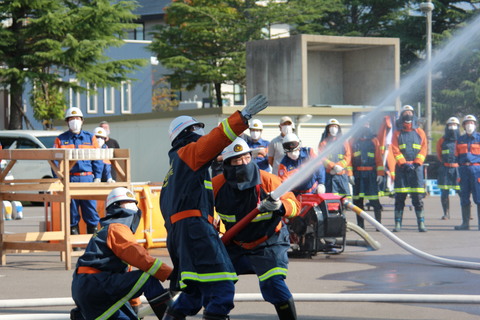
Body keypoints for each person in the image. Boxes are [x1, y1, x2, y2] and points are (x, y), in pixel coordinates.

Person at [159, 94, 268, 320]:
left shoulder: (172, 174)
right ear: (186, 135)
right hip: (195, 231)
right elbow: (214, 140)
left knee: (195, 291)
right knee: (222, 287)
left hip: (182, 236)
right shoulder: (189, 152)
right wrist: (242, 117)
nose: (200, 136)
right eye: (195, 131)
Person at [212, 137, 300, 320]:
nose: (243, 164)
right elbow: (203, 211)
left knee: (273, 285)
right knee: (215, 282)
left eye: (246, 159)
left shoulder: (267, 180)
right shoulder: (217, 185)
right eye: (237, 161)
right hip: (235, 244)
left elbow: (294, 205)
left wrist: (280, 206)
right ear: (227, 164)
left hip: (269, 242)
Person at [71, 187, 173, 320]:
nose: (133, 209)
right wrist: (170, 274)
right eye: (129, 204)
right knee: (148, 279)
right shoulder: (117, 228)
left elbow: (127, 275)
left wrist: (135, 305)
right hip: (97, 285)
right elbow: (140, 258)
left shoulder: (108, 230)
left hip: (89, 287)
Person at [53, 107, 102, 235]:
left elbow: (97, 159)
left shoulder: (91, 138)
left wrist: (97, 176)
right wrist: (59, 179)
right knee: (72, 213)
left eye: (77, 118)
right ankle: (74, 245)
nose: (75, 121)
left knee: (91, 212)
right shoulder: (60, 139)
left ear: (82, 120)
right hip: (70, 179)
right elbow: (54, 161)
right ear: (67, 122)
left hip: (87, 178)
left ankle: (93, 244)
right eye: (71, 119)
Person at [391, 105, 427, 232]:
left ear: (413, 114)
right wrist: (403, 163)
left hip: (416, 170)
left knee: (417, 198)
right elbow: (395, 149)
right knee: (400, 197)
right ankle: (398, 224)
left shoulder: (420, 132)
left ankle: (421, 224)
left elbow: (423, 149)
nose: (408, 114)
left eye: (410, 112)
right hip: (402, 169)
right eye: (406, 112)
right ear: (402, 115)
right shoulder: (397, 133)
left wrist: (417, 163)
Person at [350, 117, 385, 229]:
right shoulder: (352, 140)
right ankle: (360, 225)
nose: (365, 126)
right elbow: (349, 160)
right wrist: (350, 174)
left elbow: (379, 159)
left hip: (371, 175)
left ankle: (378, 224)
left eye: (367, 124)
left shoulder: (374, 141)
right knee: (358, 202)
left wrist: (380, 173)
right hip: (358, 175)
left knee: (374, 200)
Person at [454, 114, 480, 230]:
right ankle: (465, 223)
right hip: (463, 170)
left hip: (477, 170)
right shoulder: (460, 140)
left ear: (475, 125)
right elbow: (455, 156)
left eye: (472, 123)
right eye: (467, 123)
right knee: (464, 196)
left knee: (478, 197)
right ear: (464, 126)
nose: (470, 125)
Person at [318, 118, 352, 198]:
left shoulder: (344, 142)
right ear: (328, 129)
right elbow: (322, 158)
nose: (333, 129)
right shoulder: (324, 143)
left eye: (336, 127)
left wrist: (340, 165)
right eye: (331, 126)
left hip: (342, 176)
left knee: (344, 199)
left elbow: (348, 156)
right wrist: (333, 166)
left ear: (338, 129)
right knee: (330, 199)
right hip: (330, 176)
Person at [436, 117, 461, 220]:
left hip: (458, 169)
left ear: (458, 127)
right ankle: (446, 213)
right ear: (447, 127)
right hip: (445, 169)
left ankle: (467, 214)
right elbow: (439, 154)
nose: (452, 127)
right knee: (444, 192)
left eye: (454, 125)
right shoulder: (442, 140)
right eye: (450, 125)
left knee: (462, 192)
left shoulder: (461, 139)